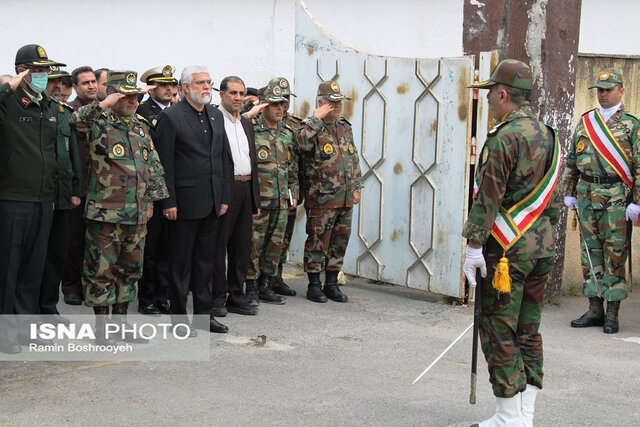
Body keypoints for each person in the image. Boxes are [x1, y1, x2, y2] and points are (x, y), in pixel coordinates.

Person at [462, 59, 561, 426]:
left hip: (507, 254)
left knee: (498, 328)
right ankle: (524, 415)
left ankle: (508, 419)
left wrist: (474, 247)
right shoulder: (550, 135)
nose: (488, 100)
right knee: (528, 329)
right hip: (542, 248)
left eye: (490, 94)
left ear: (503, 94)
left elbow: (488, 197)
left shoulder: (504, 137)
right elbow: (552, 198)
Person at [70, 70, 168, 344]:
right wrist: (103, 103)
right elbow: (74, 121)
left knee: (130, 270)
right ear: (113, 97)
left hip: (136, 214)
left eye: (135, 96)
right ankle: (102, 329)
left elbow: (153, 165)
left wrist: (151, 201)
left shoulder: (140, 125)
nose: (133, 100)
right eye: (126, 96)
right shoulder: (97, 122)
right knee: (101, 271)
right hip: (106, 213)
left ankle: (120, 324)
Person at [563, 68, 640, 334]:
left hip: (617, 197)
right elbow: (572, 158)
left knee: (615, 254)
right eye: (599, 90)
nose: (603, 94)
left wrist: (637, 202)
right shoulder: (586, 122)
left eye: (608, 90)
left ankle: (613, 312)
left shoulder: (632, 124)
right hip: (586, 195)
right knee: (590, 252)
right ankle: (594, 308)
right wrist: (569, 190)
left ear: (621, 91)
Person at [0, 44, 65, 354]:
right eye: (36, 70)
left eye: (45, 70)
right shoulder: (9, 102)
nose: (43, 76)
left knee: (32, 270)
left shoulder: (50, 107)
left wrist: (51, 194)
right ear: (22, 71)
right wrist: (7, 86)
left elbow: (52, 154)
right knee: (8, 269)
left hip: (43, 199)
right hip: (12, 198)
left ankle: (25, 329)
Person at [155, 65, 230, 334]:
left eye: (208, 82)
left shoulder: (215, 115)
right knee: (180, 263)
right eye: (200, 83)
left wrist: (223, 196)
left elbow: (221, 158)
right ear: (185, 87)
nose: (206, 87)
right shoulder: (172, 117)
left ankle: (204, 315)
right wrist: (168, 201)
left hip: (211, 202)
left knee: (206, 262)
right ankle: (178, 318)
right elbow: (164, 163)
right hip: (183, 203)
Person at [296, 80, 362, 304]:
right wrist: (315, 118)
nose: (337, 106)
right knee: (317, 242)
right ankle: (314, 285)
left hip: (344, 197)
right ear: (321, 102)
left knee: (339, 242)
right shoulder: (310, 127)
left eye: (339, 102)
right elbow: (301, 145)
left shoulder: (345, 126)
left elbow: (353, 158)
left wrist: (356, 188)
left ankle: (331, 284)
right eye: (331, 102)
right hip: (322, 197)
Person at [244, 84, 298, 305]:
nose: (281, 107)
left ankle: (266, 284)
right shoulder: (250, 129)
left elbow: (291, 167)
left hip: (280, 200)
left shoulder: (286, 133)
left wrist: (293, 193)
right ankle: (250, 288)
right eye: (275, 104)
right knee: (252, 247)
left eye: (283, 104)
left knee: (274, 246)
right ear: (264, 105)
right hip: (259, 201)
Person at [211, 76, 260, 316]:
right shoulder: (212, 120)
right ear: (221, 95)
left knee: (242, 248)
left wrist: (254, 198)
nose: (238, 98)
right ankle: (217, 298)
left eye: (241, 93)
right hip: (224, 190)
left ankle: (236, 295)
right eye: (233, 93)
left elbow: (253, 162)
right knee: (219, 248)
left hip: (245, 188)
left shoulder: (246, 123)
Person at [38, 66, 82, 324]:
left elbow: (71, 156)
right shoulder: (35, 112)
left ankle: (48, 307)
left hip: (63, 194)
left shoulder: (64, 113)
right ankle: (29, 309)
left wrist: (75, 190)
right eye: (51, 80)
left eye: (58, 81)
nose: (56, 86)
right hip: (40, 194)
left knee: (56, 255)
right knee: (35, 257)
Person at [135, 64, 179, 316]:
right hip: (152, 189)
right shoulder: (142, 111)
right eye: (163, 85)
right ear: (151, 88)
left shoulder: (178, 112)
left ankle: (163, 295)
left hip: (173, 188)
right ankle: (147, 298)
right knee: (149, 250)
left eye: (172, 84)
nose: (169, 89)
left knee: (168, 250)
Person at [63, 66, 99, 306]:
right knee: (75, 241)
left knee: (97, 242)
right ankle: (71, 287)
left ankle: (91, 285)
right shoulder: (71, 110)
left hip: (103, 188)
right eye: (85, 83)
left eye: (93, 81)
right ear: (75, 87)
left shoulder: (106, 111)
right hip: (80, 187)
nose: (91, 86)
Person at [267, 76, 304, 296]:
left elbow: (298, 162)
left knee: (283, 236)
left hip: (290, 188)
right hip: (267, 190)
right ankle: (259, 280)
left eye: (287, 98)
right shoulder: (258, 121)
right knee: (263, 237)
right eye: (279, 98)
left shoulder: (295, 125)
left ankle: (276, 276)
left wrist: (296, 192)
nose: (284, 102)